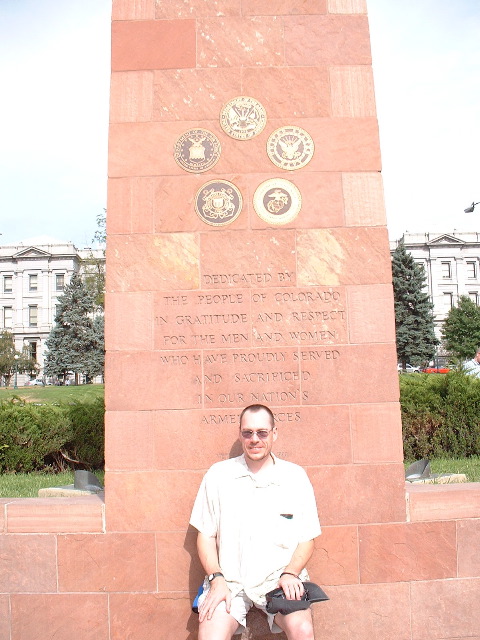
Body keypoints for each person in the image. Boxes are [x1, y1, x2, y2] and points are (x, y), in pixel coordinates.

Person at [190, 404, 321, 640]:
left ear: (274, 433)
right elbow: (206, 535)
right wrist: (215, 577)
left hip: (279, 580)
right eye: (247, 432)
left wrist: (291, 573)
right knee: (210, 634)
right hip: (230, 582)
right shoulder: (218, 475)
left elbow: (307, 538)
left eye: (262, 432)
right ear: (240, 434)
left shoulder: (295, 477)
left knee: (303, 630)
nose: (254, 439)